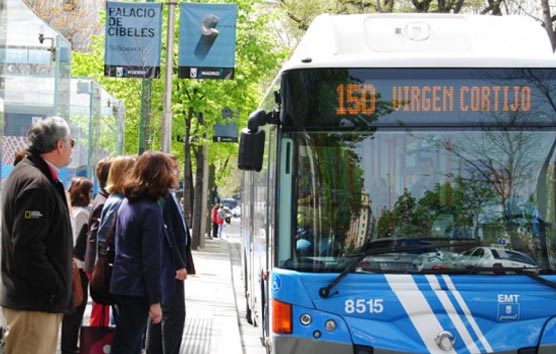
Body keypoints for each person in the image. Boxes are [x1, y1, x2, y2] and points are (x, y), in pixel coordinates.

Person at [1, 116, 74, 354]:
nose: (72, 148)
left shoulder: (29, 175)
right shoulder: (36, 183)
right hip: (34, 303)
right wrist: (54, 285)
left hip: (33, 300)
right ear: (60, 145)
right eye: (71, 142)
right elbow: (27, 246)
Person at [109, 151, 176, 354]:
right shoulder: (150, 210)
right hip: (137, 290)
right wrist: (155, 301)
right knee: (126, 346)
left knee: (129, 343)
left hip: (122, 284)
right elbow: (151, 259)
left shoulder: (127, 204)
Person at [145, 153, 194, 354]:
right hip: (169, 269)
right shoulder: (161, 199)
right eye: (174, 167)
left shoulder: (169, 196)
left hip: (169, 268)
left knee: (160, 317)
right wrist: (178, 264)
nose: (178, 171)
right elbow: (169, 234)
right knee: (173, 316)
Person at [95, 155, 137, 324]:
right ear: (124, 174)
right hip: (120, 274)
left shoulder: (120, 200)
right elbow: (104, 238)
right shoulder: (117, 202)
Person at [61, 176, 94, 354]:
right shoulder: (82, 214)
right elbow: (80, 245)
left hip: (70, 266)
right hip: (78, 269)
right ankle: (69, 347)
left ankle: (68, 346)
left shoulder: (70, 211)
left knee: (71, 311)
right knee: (76, 307)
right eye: (89, 191)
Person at [83, 156, 114, 326]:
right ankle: (95, 346)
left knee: (101, 310)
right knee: (100, 311)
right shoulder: (104, 203)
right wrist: (97, 267)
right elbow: (96, 239)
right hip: (97, 266)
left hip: (95, 265)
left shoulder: (102, 199)